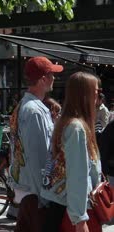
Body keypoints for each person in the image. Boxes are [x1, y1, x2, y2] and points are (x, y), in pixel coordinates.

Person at [41, 72, 102, 232]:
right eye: (96, 93)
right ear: (85, 95)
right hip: (74, 210)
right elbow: (78, 177)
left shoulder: (65, 123)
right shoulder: (77, 128)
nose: (98, 98)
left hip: (62, 206)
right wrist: (80, 219)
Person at [9, 56, 63, 232]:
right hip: (35, 195)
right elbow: (38, 159)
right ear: (43, 79)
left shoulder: (26, 107)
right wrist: (45, 197)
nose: (54, 78)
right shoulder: (34, 111)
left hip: (28, 191)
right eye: (51, 74)